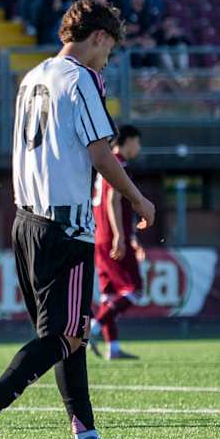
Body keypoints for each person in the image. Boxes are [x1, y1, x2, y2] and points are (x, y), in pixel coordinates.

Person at [0, 0, 155, 439]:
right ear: (99, 37)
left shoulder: (33, 76)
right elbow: (102, 154)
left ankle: (86, 438)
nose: (109, 59)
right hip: (64, 225)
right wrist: (138, 198)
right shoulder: (79, 79)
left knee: (70, 334)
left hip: (26, 221)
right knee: (65, 334)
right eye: (110, 49)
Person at [89, 125, 145, 361]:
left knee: (109, 295)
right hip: (112, 237)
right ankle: (93, 327)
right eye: (138, 142)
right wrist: (121, 236)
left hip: (99, 236)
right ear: (129, 140)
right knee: (134, 290)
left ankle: (113, 348)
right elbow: (114, 200)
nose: (139, 148)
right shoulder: (118, 164)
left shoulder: (103, 164)